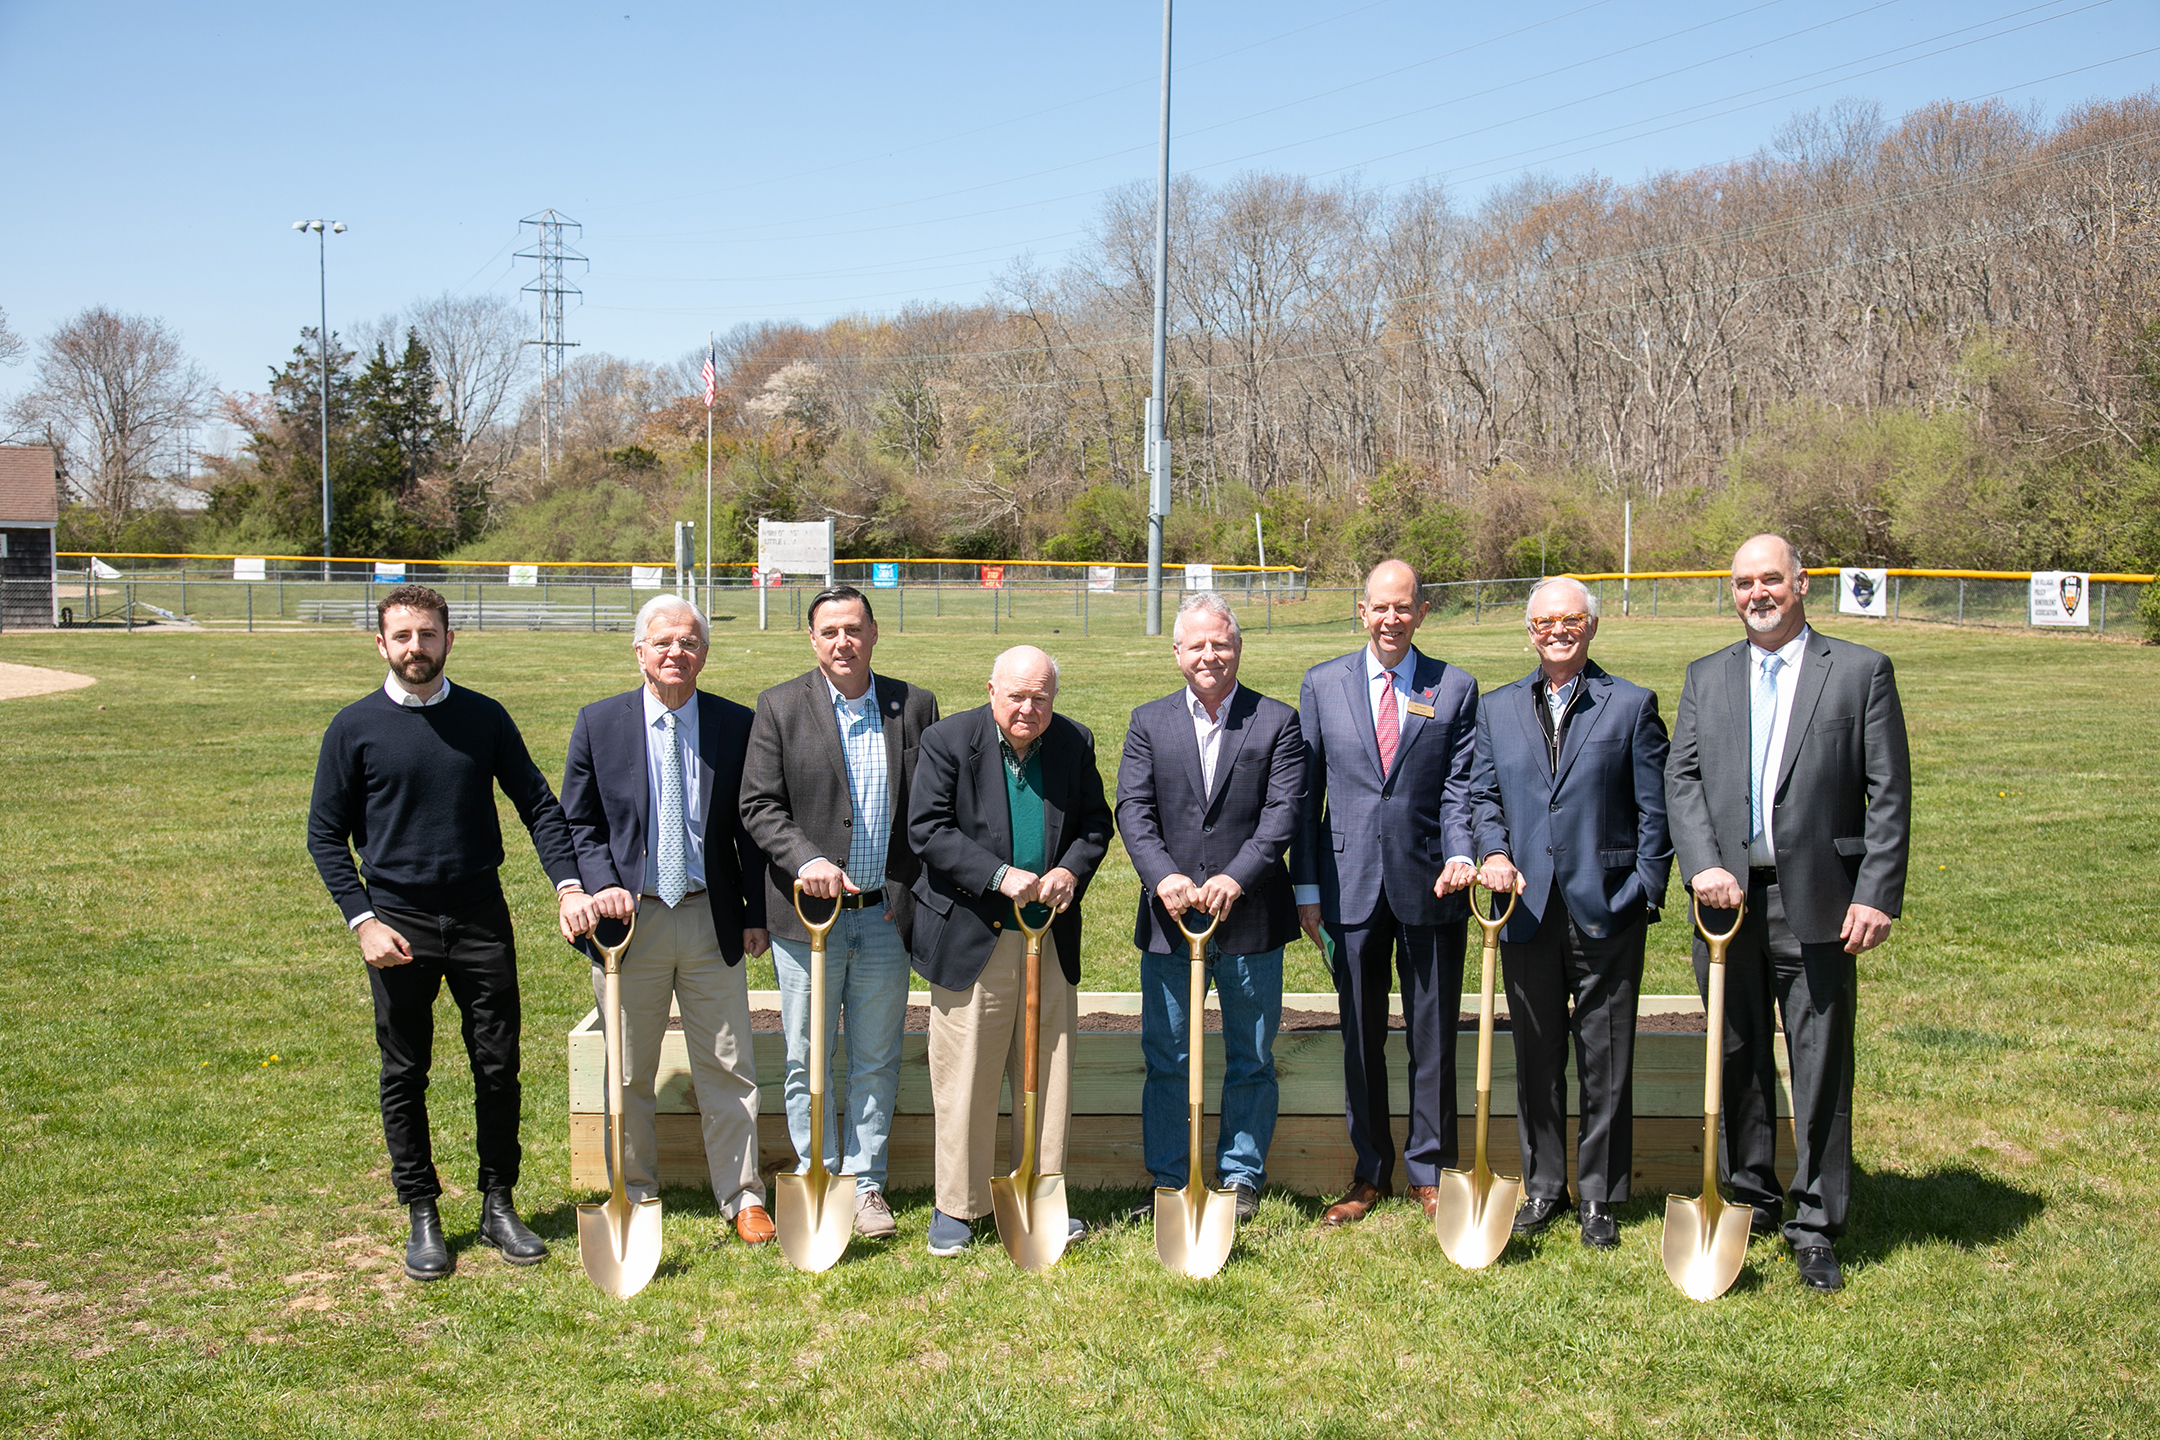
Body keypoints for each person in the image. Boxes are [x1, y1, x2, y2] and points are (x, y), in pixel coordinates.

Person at [307, 584, 588, 1282]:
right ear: (381, 644)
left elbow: (539, 807)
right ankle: (423, 1211)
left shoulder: (484, 718)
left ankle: (499, 1204)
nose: (415, 649)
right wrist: (362, 919)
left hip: (480, 914)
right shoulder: (354, 728)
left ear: (449, 640)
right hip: (396, 918)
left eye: (427, 635)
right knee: (406, 1070)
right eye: (402, 636)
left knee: (497, 1064)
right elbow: (323, 834)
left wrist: (567, 884)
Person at [1666, 534, 1911, 1293]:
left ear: (1801, 583)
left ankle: (1816, 1221)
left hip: (1823, 902)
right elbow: (1684, 778)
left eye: (1771, 579)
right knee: (1734, 1056)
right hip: (1727, 906)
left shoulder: (1861, 672)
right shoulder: (1708, 676)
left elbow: (1890, 793)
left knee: (1820, 1064)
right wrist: (1704, 862)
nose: (1757, 594)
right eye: (1743, 583)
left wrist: (1875, 891)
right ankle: (1753, 1196)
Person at [559, 595, 774, 1246]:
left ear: (704, 653)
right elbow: (579, 821)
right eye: (663, 642)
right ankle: (637, 1189)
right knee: (627, 1068)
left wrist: (756, 914)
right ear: (640, 652)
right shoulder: (600, 724)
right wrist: (600, 889)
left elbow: (753, 830)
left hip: (712, 920)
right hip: (631, 926)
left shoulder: (736, 725)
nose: (676, 652)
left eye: (689, 642)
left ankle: (742, 1196)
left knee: (729, 1065)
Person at [1469, 577, 1672, 1250]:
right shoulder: (1497, 710)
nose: (1557, 631)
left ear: (1591, 627)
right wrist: (1492, 852)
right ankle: (1545, 1187)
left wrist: (1642, 890)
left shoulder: (1631, 706)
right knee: (1535, 1057)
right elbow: (1483, 797)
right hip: (1524, 906)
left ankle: (1600, 1197)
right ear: (1529, 630)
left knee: (1605, 1057)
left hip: (1605, 908)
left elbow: (1656, 812)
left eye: (1570, 620)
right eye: (1544, 621)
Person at [739, 585, 939, 1242]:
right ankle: (816, 1171)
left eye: (854, 629)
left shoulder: (913, 706)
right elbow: (760, 806)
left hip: (884, 918)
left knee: (877, 1056)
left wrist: (912, 895)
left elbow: (932, 809)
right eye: (829, 631)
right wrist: (803, 861)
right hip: (809, 922)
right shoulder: (779, 707)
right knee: (807, 1055)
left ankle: (867, 1184)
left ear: (875, 633)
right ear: (813, 640)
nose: (842, 642)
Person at [906, 645, 1114, 1256]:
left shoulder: (1073, 742)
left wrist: (1071, 870)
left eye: (1041, 698)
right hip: (973, 931)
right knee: (965, 1073)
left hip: (1045, 934)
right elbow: (928, 829)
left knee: (1047, 1071)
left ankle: (1041, 1193)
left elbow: (1095, 825)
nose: (1028, 709)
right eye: (1017, 696)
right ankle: (958, 1207)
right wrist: (1000, 876)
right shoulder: (948, 740)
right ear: (991, 689)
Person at [1292, 559, 1481, 1226]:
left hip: (1430, 885)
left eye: (1404, 607)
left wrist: (1462, 854)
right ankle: (1369, 1171)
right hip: (1347, 889)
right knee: (1360, 1036)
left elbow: (1460, 788)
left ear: (1423, 612)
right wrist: (1307, 886)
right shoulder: (1323, 685)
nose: (1391, 619)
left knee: (1433, 1036)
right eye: (1380, 607)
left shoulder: (1453, 687)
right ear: (1362, 610)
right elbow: (1306, 795)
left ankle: (1430, 1172)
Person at [1116, 592, 1305, 1226]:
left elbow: (1283, 815)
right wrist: (1163, 877)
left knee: (1252, 1052)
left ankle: (1241, 1173)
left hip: (1249, 918)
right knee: (1167, 1052)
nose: (1209, 655)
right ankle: (1171, 1176)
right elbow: (1134, 813)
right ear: (1176, 652)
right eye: (1196, 644)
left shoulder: (1276, 722)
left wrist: (1236, 878)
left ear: (1238, 648)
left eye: (1220, 643)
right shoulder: (1149, 723)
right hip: (1171, 921)